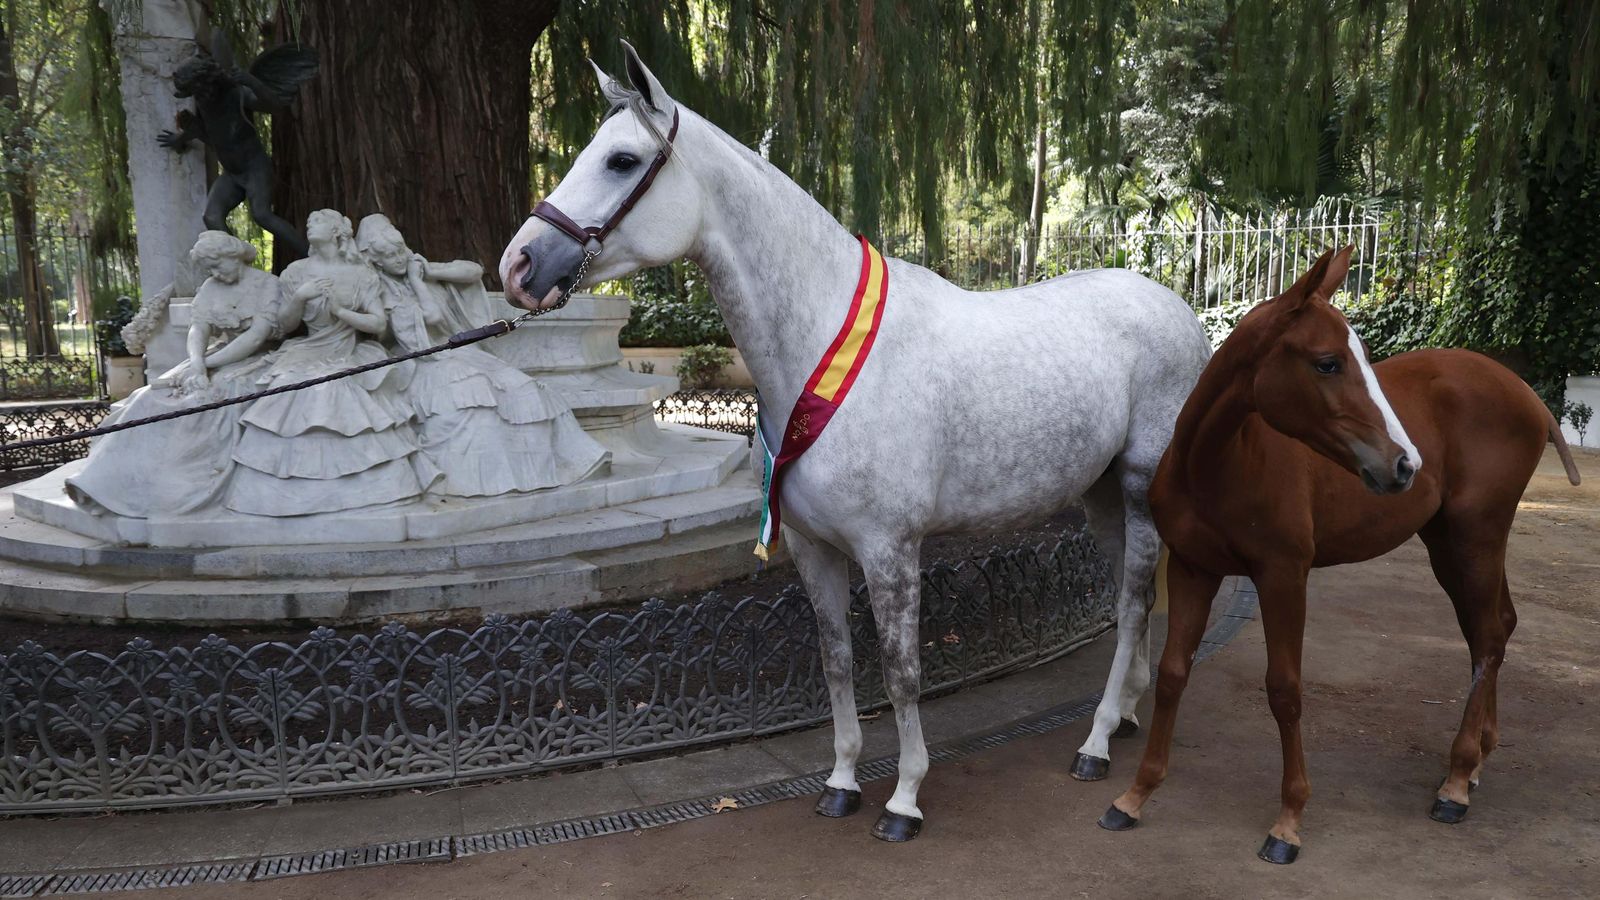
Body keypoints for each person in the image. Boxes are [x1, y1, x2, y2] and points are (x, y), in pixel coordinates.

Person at [355, 213, 608, 496]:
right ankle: (486, 481)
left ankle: (551, 470)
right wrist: (416, 280)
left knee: (522, 386)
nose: (400, 258)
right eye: (390, 255)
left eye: (401, 249)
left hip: (460, 355)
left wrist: (430, 271)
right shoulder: (378, 291)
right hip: (422, 361)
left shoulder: (423, 272)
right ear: (376, 261)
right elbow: (432, 316)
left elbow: (472, 271)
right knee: (475, 401)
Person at [227, 210, 439, 516]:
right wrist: (299, 298)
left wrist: (340, 311)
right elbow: (285, 326)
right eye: (309, 220)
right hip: (306, 350)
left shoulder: (362, 274)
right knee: (290, 388)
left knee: (333, 388)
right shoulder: (296, 272)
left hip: (346, 351)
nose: (310, 223)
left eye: (319, 220)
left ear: (338, 231)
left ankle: (357, 491)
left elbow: (378, 324)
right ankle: (287, 494)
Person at [66, 232, 289, 516]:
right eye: (209, 269)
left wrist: (207, 366)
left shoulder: (267, 285)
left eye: (218, 265)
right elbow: (199, 329)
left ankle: (173, 485)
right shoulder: (211, 286)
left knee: (209, 398)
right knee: (150, 396)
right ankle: (112, 481)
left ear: (235, 258)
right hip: (213, 356)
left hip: (257, 358)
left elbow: (255, 338)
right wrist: (196, 362)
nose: (214, 273)